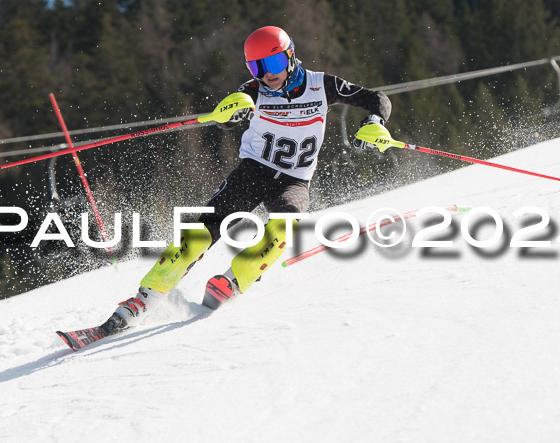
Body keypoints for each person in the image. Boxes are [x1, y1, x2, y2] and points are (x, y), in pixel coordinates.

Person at [99, 26, 392, 334]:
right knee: (201, 232)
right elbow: (237, 104)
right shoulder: (255, 89)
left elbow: (377, 98)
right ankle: (145, 299)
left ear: (291, 56)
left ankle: (233, 281)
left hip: (294, 180)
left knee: (286, 223)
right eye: (257, 67)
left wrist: (375, 122)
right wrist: (232, 111)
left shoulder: (322, 85)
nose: (268, 74)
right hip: (254, 172)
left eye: (274, 64)